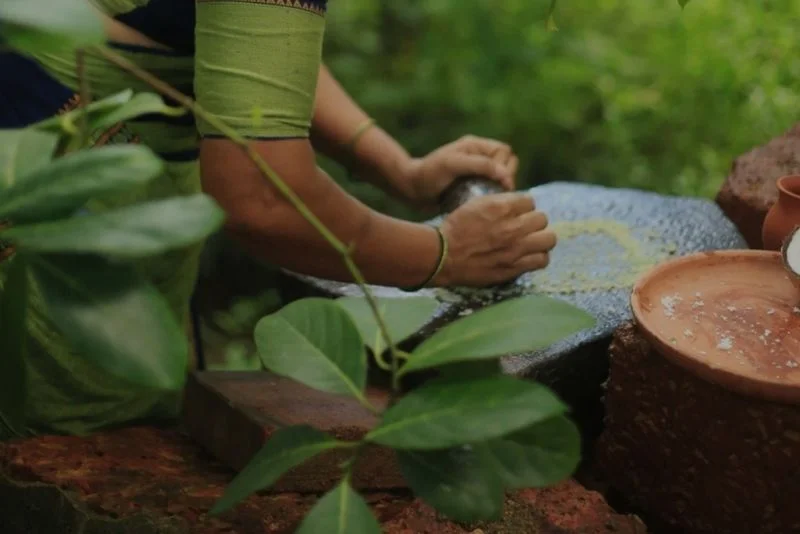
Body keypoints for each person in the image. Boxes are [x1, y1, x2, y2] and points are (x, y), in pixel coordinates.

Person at [0, 0, 556, 437]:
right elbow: (261, 200)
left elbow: (249, 46)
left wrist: (397, 168)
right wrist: (443, 254)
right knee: (72, 447)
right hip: (54, 191)